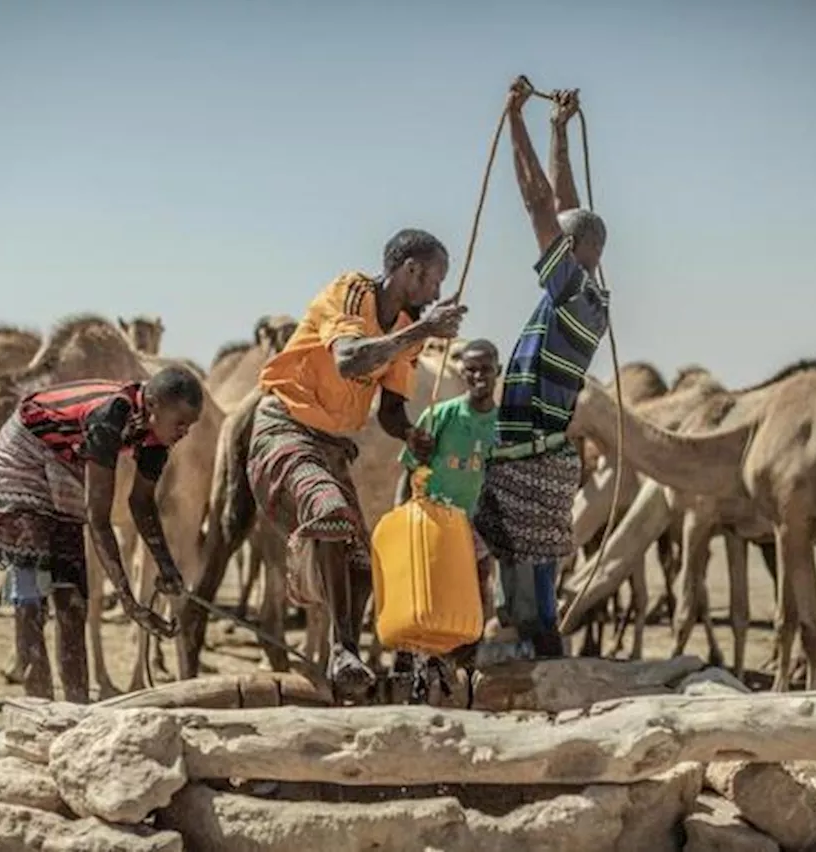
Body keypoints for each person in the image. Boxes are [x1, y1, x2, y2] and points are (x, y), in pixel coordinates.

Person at [248, 228, 466, 695]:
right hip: (284, 429)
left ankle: (340, 657)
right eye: (434, 281)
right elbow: (349, 360)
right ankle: (343, 649)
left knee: (364, 565)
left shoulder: (408, 333)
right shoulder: (350, 293)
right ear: (411, 271)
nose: (437, 294)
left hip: (329, 447)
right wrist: (426, 328)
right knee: (329, 512)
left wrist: (410, 433)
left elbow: (389, 409)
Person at [474, 77, 611, 661]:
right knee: (527, 592)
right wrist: (557, 130)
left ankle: (544, 682)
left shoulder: (573, 294)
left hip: (530, 458)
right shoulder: (587, 289)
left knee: (527, 604)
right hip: (532, 454)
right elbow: (563, 209)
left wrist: (515, 120)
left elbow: (538, 204)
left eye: (560, 237)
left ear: (573, 249)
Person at [0, 365, 203, 702]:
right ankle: (37, 711)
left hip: (64, 461)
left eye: (190, 426)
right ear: (155, 405)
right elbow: (98, 520)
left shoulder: (157, 437)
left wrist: (167, 569)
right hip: (20, 459)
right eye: (180, 423)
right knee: (32, 604)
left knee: (72, 600)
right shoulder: (110, 415)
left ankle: (76, 714)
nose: (185, 432)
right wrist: (127, 598)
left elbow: (142, 505)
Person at [394, 338, 502, 656]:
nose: (478, 377)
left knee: (473, 607)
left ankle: (464, 678)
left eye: (485, 370)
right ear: (462, 372)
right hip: (435, 527)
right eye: (470, 370)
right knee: (427, 604)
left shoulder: (505, 426)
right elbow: (409, 470)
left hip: (478, 531)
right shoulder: (441, 415)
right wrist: (402, 522)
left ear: (498, 371)